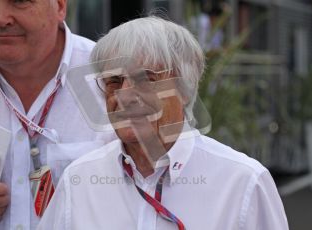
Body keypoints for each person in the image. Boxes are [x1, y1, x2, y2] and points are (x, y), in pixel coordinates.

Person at [38, 16, 289, 229]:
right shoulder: (79, 181)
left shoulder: (243, 183)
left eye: (146, 78)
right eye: (114, 80)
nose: (124, 95)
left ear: (185, 88)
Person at [0, 0, 110, 229]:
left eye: (20, 1)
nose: (1, 18)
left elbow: (169, 182)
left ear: (60, 7)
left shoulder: (112, 78)